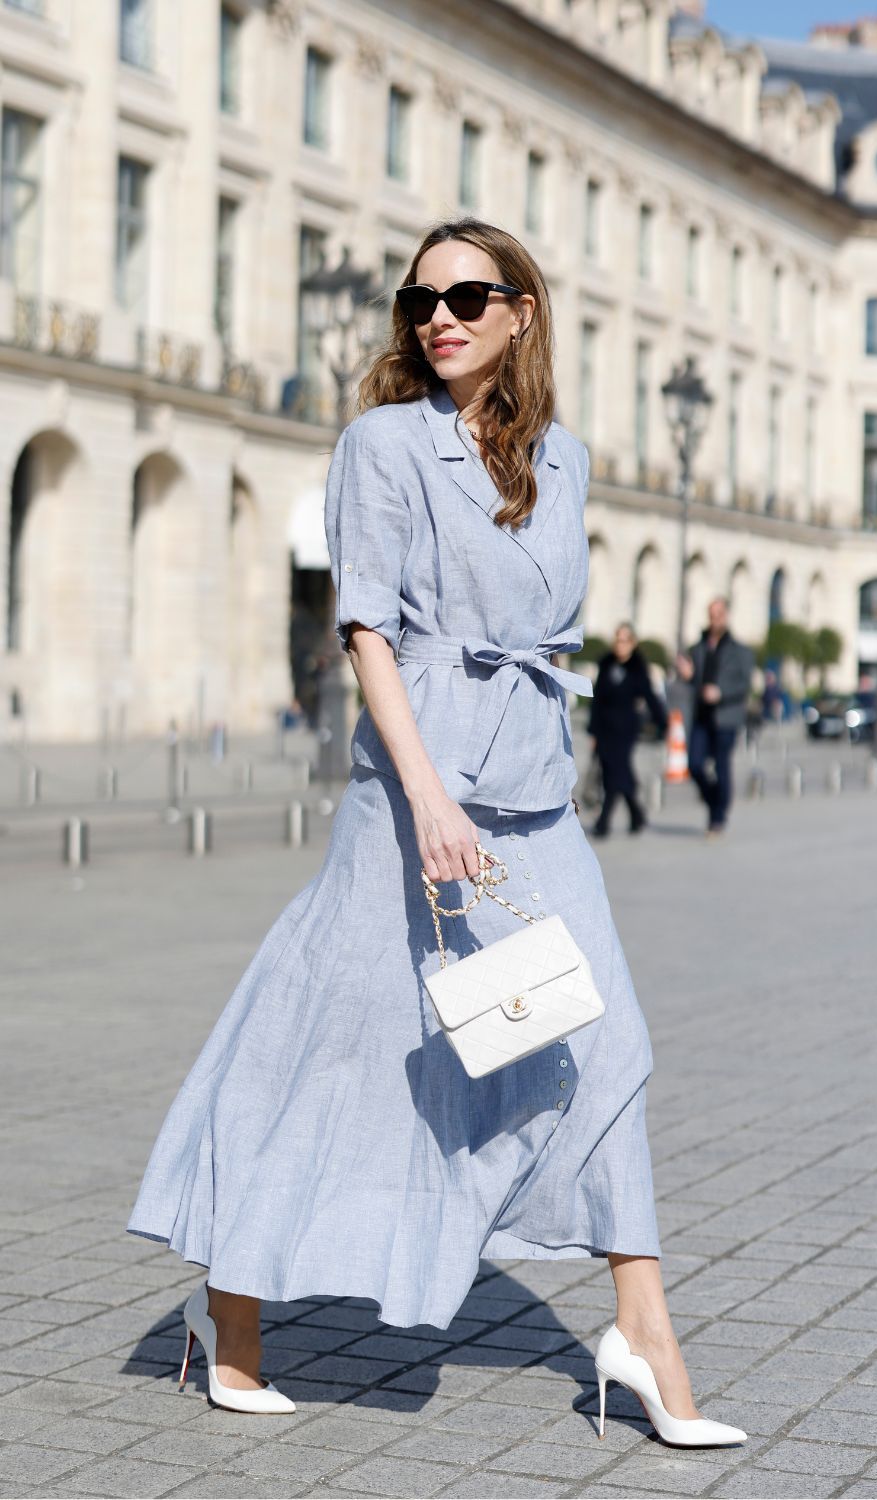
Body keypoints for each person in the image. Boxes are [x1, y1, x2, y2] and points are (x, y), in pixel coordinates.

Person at [125, 218, 745, 1448]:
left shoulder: (560, 458)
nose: (439, 315)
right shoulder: (382, 443)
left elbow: (543, 625)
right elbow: (369, 628)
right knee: (339, 1051)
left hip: (531, 793)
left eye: (467, 293)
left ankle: (642, 1333)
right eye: (421, 298)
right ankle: (228, 1313)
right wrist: (424, 798)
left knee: (604, 1046)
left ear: (522, 308)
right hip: (413, 798)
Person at [676, 598, 754, 837]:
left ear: (726, 615)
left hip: (726, 717)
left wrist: (721, 693)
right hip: (702, 715)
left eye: (719, 614)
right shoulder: (698, 648)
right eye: (711, 614)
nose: (715, 619)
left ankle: (717, 817)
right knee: (695, 764)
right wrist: (688, 676)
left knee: (721, 766)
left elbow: (744, 684)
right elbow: (693, 680)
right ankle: (715, 802)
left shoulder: (740, 651)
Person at [588, 622, 666, 837]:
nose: (620, 645)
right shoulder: (606, 664)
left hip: (626, 728)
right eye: (617, 640)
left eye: (624, 640)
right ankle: (637, 814)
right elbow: (597, 700)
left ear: (632, 643)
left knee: (617, 772)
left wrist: (663, 722)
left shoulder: (638, 667)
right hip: (605, 728)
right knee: (613, 773)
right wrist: (592, 731)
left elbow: (650, 696)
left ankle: (603, 822)